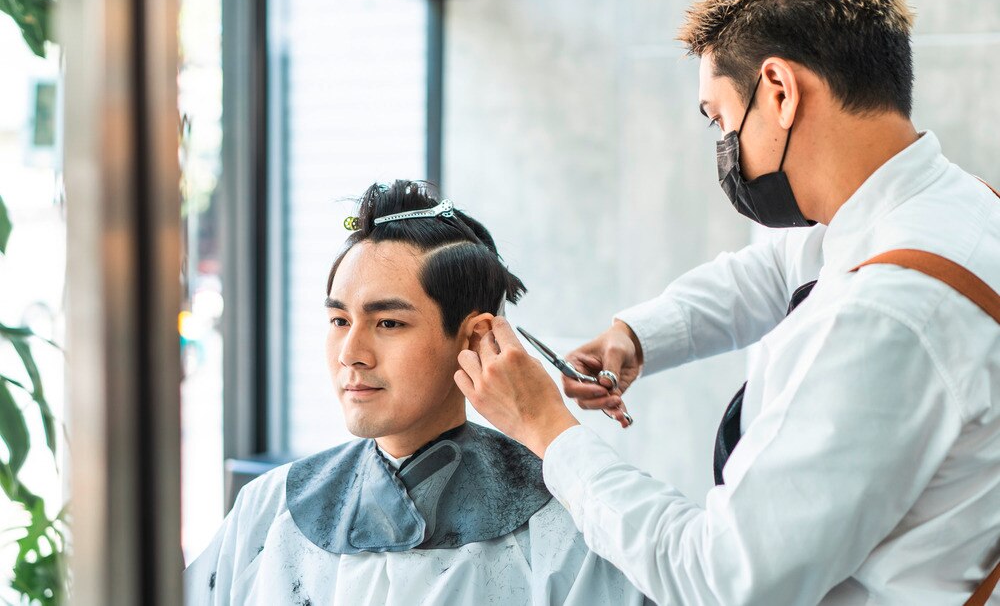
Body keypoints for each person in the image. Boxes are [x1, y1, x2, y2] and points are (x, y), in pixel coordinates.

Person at [453, 0, 1000, 605]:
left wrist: (547, 430)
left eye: (720, 119)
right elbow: (778, 267)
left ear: (779, 90)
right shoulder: (946, 209)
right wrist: (639, 333)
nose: (725, 149)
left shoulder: (887, 315)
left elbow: (721, 579)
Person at [183, 180, 653, 605]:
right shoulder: (269, 510)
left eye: (388, 323)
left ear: (473, 339)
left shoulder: (563, 528)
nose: (351, 353)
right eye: (339, 321)